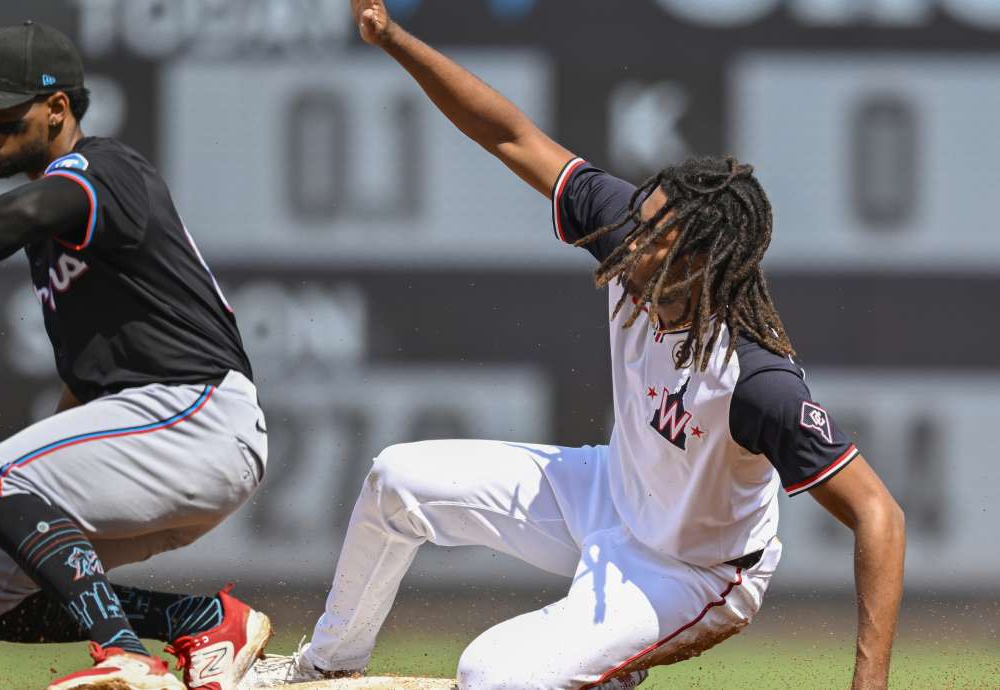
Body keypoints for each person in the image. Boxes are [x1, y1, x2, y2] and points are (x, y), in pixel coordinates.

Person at [245, 2, 906, 689]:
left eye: (654, 239)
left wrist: (869, 680)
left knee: (488, 673)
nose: (632, 239)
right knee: (395, 481)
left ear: (700, 264)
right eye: (641, 221)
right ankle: (326, 665)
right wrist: (392, 38)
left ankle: (607, 666)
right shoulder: (628, 237)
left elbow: (878, 515)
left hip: (690, 571)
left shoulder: (753, 379)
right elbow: (508, 135)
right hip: (610, 490)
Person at [0, 21, 271, 690]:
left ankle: (123, 654)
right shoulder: (56, 237)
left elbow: (22, 212)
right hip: (160, 433)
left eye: (3, 114)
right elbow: (85, 388)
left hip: (196, 416)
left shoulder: (101, 172)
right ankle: (205, 619)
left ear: (57, 111)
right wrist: (48, 468)